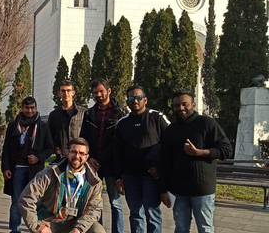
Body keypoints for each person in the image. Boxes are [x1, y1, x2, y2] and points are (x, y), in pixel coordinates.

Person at [160, 89, 232, 233]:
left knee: (205, 228)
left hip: (202, 190)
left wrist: (199, 152)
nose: (180, 108)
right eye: (176, 105)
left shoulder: (207, 123)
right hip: (178, 191)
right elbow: (164, 161)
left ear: (193, 105)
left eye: (184, 104)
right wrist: (162, 190)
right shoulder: (171, 130)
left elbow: (226, 150)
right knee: (180, 228)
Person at [114, 85, 170, 233]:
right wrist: (118, 178)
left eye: (138, 98)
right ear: (127, 102)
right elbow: (117, 152)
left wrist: (159, 166)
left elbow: (169, 143)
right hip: (130, 176)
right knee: (135, 214)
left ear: (145, 99)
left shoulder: (157, 117)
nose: (135, 101)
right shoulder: (122, 123)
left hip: (151, 176)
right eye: (131, 99)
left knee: (152, 213)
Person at [18, 137, 104, 233]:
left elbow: (95, 209)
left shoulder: (94, 181)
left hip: (76, 222)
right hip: (50, 220)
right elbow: (26, 198)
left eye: (81, 153)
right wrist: (36, 227)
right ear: (68, 153)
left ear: (87, 157)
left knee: (97, 230)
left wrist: (79, 229)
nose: (77, 156)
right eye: (73, 152)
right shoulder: (50, 173)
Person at [79, 78, 127, 233]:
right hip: (93, 164)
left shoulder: (120, 112)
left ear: (109, 91)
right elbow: (83, 137)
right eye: (95, 92)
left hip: (112, 163)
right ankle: (96, 230)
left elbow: (119, 141)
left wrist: (101, 159)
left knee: (115, 203)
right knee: (94, 203)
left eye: (101, 91)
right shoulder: (89, 113)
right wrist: (89, 157)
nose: (98, 95)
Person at [2, 96, 54, 233]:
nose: (29, 110)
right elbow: (6, 147)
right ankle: (15, 229)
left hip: (35, 171)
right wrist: (5, 167)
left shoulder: (43, 126)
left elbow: (50, 148)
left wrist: (38, 157)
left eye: (32, 108)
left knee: (35, 202)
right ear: (22, 108)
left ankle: (36, 229)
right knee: (16, 203)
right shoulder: (14, 125)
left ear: (36, 108)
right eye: (26, 107)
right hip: (17, 169)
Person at [48, 80, 86, 160]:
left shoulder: (83, 113)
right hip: (61, 157)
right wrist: (57, 149)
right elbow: (50, 136)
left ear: (73, 93)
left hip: (79, 157)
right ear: (59, 93)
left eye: (68, 90)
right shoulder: (54, 115)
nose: (66, 93)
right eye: (63, 91)